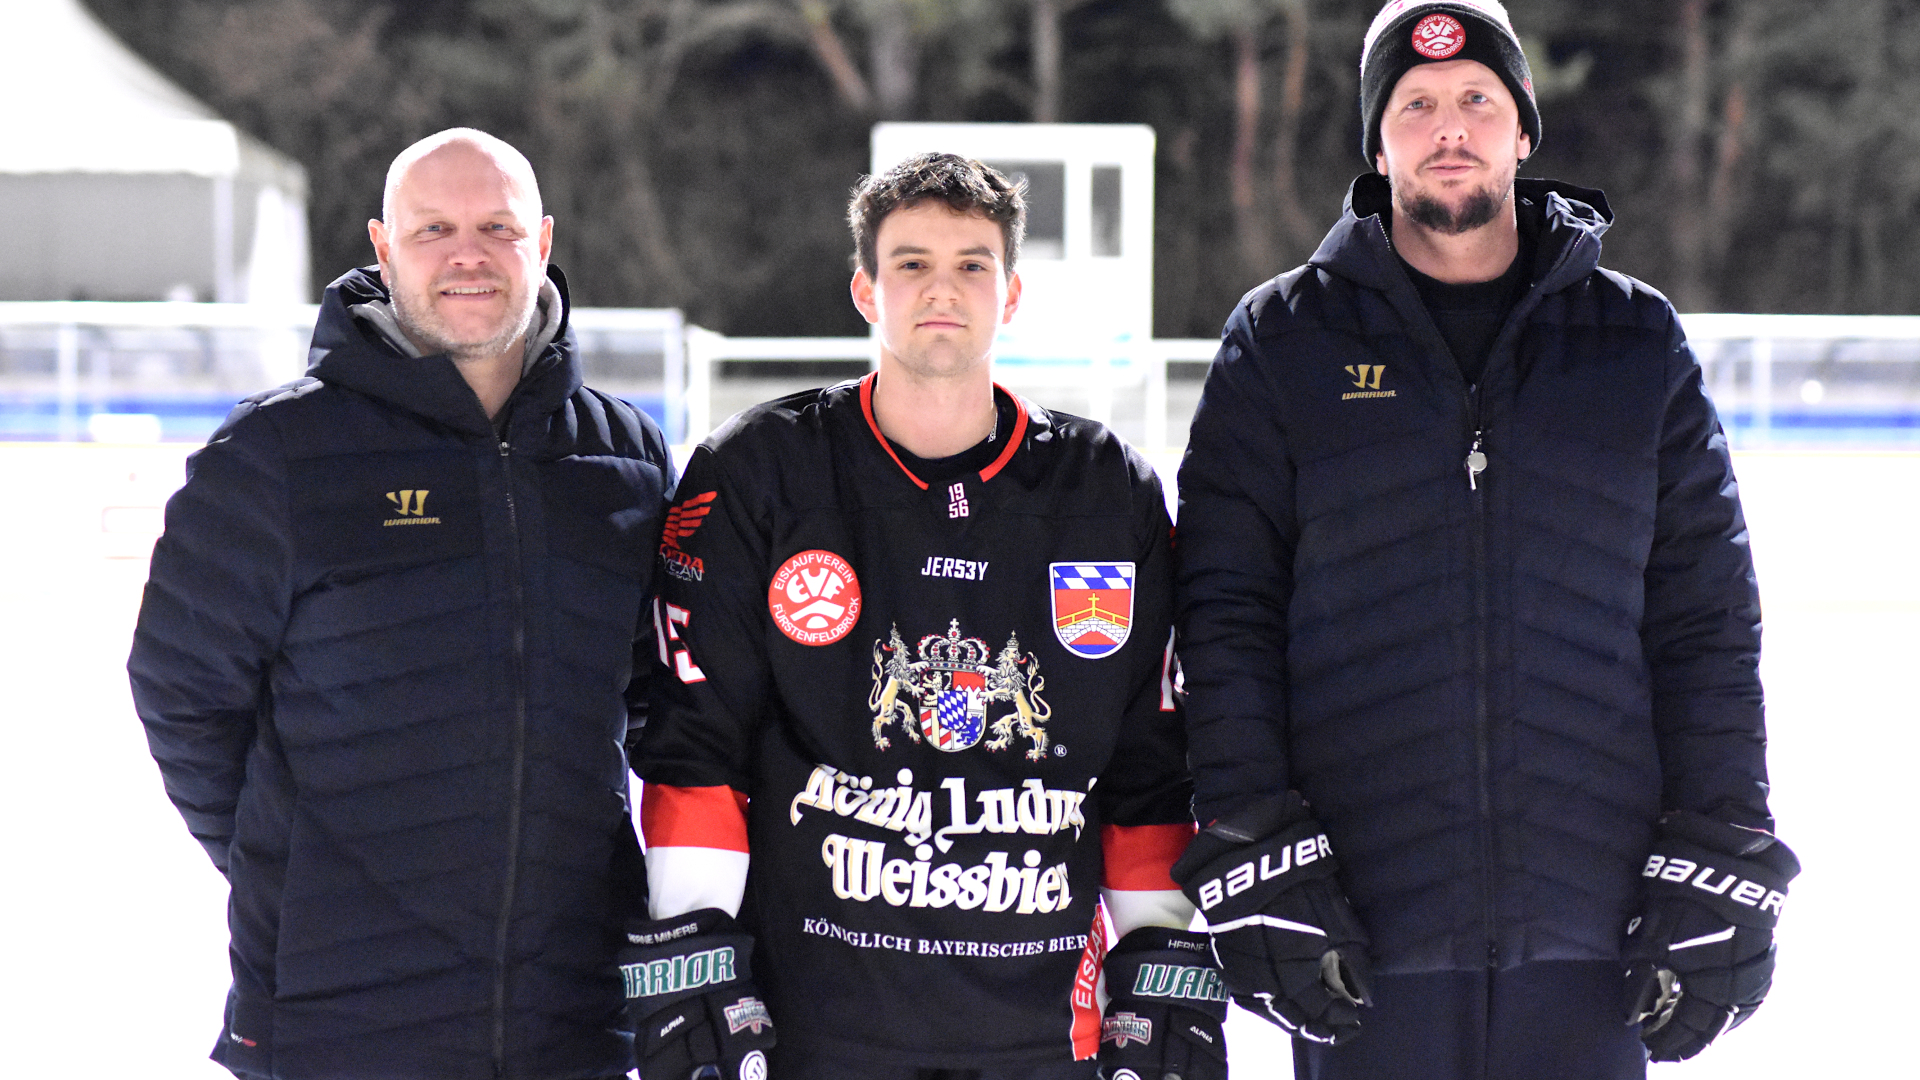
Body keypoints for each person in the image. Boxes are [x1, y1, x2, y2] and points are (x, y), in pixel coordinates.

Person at [1170, 3, 1798, 1078]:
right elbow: (1225, 620)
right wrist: (1250, 845)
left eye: (1476, 100)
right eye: (1414, 105)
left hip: (1596, 940)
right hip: (1359, 942)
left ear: (1522, 131)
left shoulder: (1634, 342)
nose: (1446, 126)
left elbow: (1705, 623)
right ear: (1378, 145)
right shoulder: (1281, 342)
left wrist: (1724, 839)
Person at [623, 153, 1219, 1080]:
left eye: (972, 264)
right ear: (864, 288)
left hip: (1043, 1035)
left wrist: (1162, 962)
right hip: (810, 1029)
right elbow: (695, 742)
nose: (942, 289)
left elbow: (1150, 771)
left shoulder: (1107, 491)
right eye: (911, 264)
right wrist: (694, 948)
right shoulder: (764, 472)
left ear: (1012, 293)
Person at [129, 128, 673, 1080]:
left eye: (495, 226)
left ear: (542, 241)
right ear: (383, 249)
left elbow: (662, 703)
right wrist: (298, 879)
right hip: (337, 1017)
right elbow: (182, 696)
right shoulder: (277, 457)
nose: (467, 253)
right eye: (434, 229)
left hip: (571, 1017)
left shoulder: (624, 460)